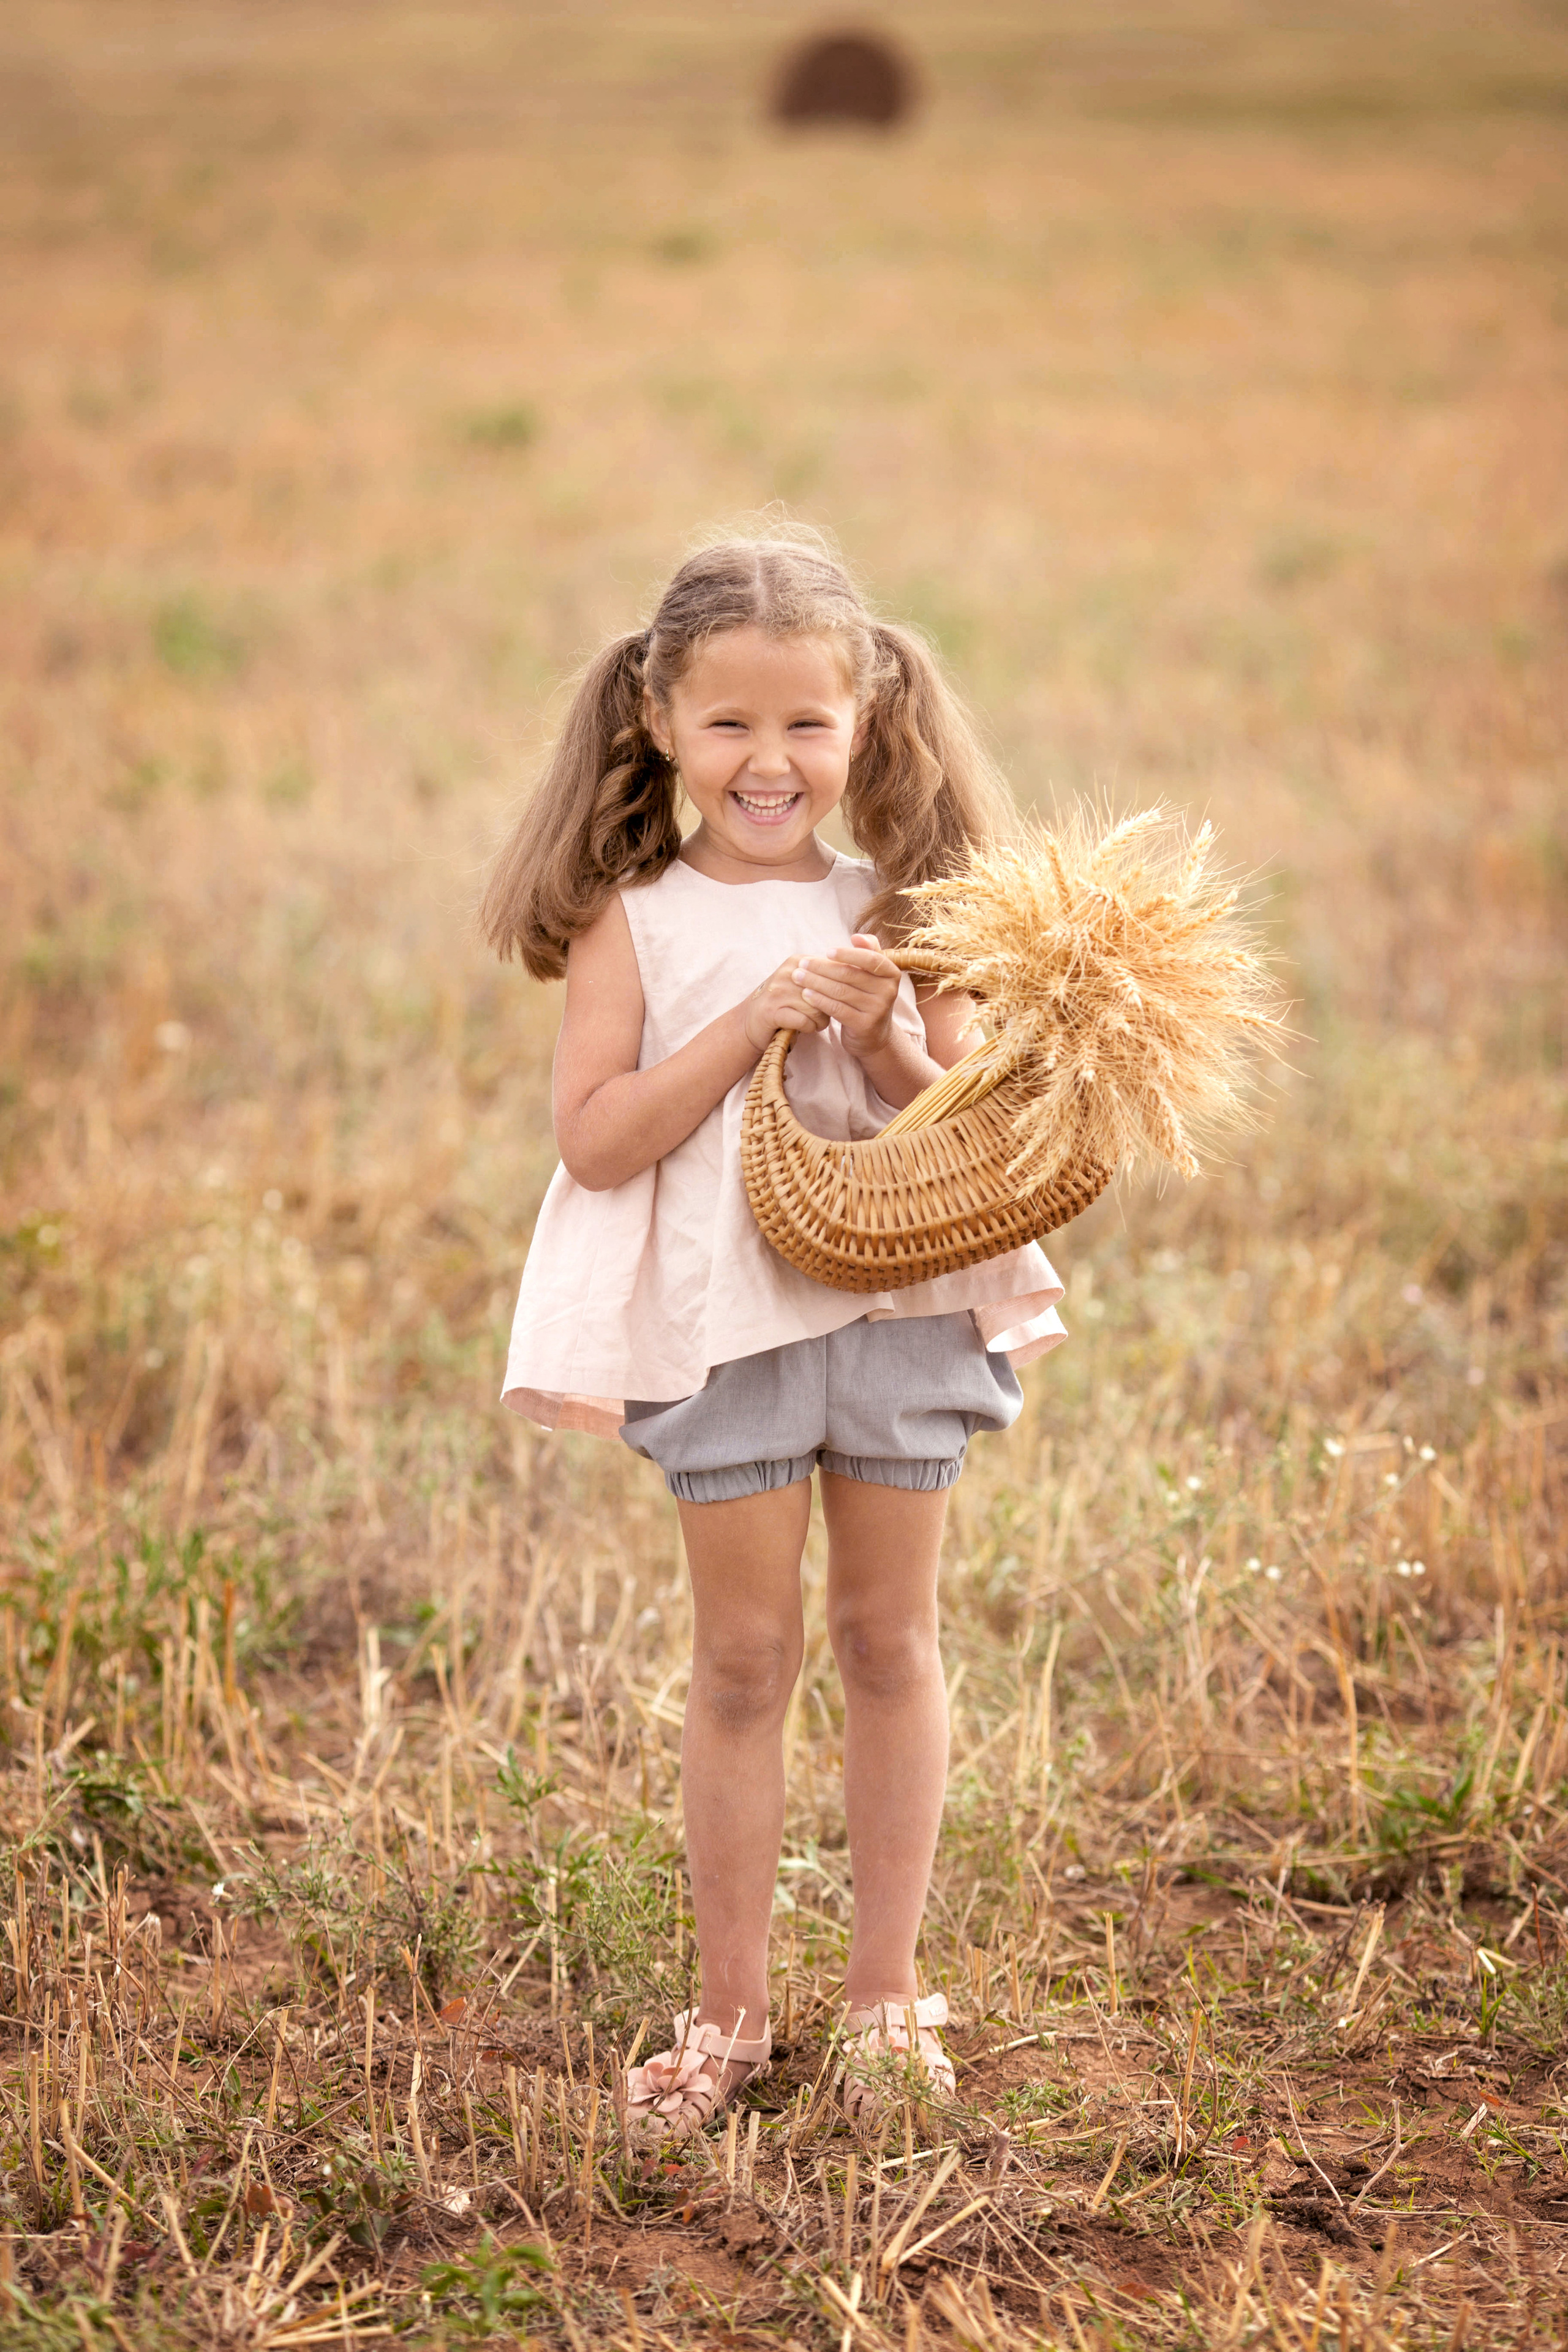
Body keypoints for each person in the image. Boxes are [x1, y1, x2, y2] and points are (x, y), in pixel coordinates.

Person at [481, 531, 1067, 2142]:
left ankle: (887, 1995)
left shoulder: (909, 906)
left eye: (805, 724)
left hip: (895, 1307)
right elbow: (597, 1143)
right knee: (744, 1662)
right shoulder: (635, 920)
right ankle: (729, 2008)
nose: (769, 760)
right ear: (661, 719)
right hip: (722, 1332)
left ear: (865, 721)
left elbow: (965, 1130)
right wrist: (749, 1024)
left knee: (891, 1645)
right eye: (730, 724)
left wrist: (881, 1042)